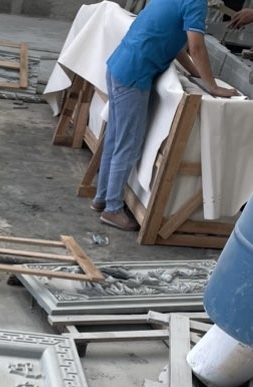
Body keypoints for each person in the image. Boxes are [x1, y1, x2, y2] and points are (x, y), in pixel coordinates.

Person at [92, 0, 237, 232]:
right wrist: (212, 86)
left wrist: (195, 73)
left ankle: (102, 198)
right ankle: (112, 208)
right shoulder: (196, 2)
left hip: (120, 66)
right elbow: (196, 47)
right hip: (134, 76)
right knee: (128, 145)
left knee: (115, 139)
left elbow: (174, 43)